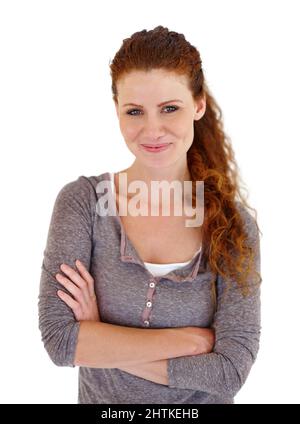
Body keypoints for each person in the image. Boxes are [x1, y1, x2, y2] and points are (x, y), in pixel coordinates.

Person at [38, 25, 262, 404]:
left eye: (169, 108)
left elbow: (229, 372)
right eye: (135, 111)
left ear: (198, 105)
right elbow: (60, 341)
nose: (152, 129)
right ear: (117, 112)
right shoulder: (84, 203)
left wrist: (97, 336)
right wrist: (191, 342)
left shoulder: (233, 225)